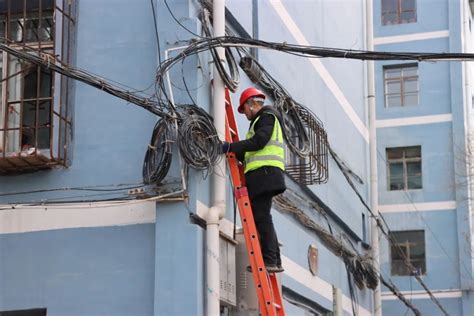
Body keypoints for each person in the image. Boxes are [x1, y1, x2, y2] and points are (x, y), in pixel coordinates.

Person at [222, 87, 286, 273]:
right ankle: (274, 261)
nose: (245, 115)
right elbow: (252, 150)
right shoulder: (263, 119)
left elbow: (259, 142)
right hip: (265, 174)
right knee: (263, 216)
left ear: (252, 104)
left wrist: (229, 147)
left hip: (265, 174)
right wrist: (235, 150)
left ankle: (270, 260)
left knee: (262, 217)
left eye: (245, 110)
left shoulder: (266, 117)